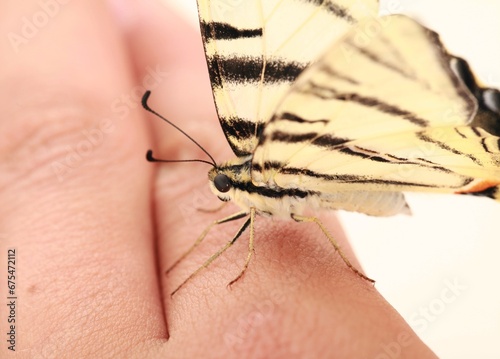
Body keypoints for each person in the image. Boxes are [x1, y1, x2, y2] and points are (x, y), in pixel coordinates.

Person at [0, 1, 437, 357]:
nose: (218, 187)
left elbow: (312, 219)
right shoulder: (260, 158)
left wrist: (253, 265)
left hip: (388, 164)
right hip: (384, 153)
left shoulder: (266, 162)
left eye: (222, 187)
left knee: (238, 231)